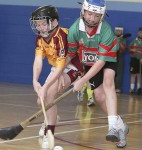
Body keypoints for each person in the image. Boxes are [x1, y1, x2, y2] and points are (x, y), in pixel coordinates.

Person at [66, 0, 129, 148]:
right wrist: (57, 71)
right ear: (83, 11)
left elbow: (101, 62)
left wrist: (82, 81)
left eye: (96, 15)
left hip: (106, 58)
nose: (92, 18)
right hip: (89, 62)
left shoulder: (106, 30)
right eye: (90, 14)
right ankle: (121, 125)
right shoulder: (75, 29)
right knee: (100, 97)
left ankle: (112, 127)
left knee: (108, 83)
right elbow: (70, 54)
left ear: (101, 16)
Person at [29, 5, 83, 150]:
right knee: (41, 102)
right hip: (58, 67)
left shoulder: (61, 36)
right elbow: (38, 60)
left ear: (54, 22)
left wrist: (46, 86)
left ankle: (49, 134)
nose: (40, 27)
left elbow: (62, 64)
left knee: (49, 94)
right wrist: (35, 80)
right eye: (37, 24)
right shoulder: (40, 38)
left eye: (43, 23)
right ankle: (51, 120)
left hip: (72, 66)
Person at [129, 27, 142, 95]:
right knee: (133, 74)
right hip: (134, 60)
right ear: (138, 33)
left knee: (139, 75)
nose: (141, 34)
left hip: (141, 60)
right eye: (140, 33)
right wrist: (132, 50)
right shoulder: (134, 41)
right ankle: (131, 89)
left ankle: (139, 89)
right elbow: (129, 49)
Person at [114, 27, 127, 93]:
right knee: (111, 72)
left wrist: (119, 42)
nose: (118, 32)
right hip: (112, 56)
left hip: (120, 56)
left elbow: (124, 48)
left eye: (119, 31)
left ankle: (117, 88)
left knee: (119, 73)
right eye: (117, 31)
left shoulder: (123, 39)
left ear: (122, 32)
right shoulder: (112, 38)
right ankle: (110, 87)